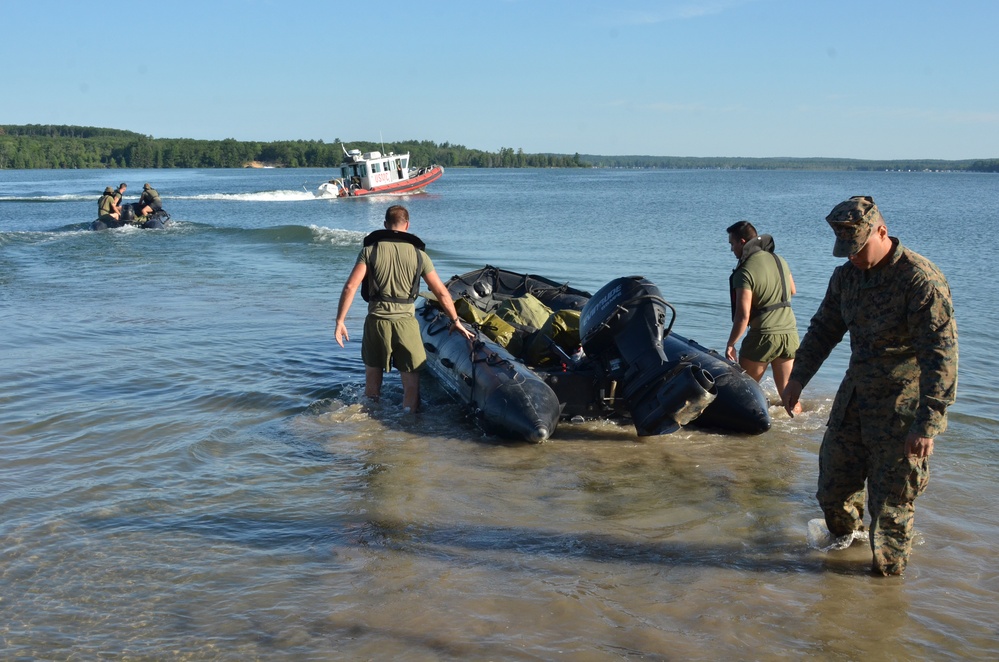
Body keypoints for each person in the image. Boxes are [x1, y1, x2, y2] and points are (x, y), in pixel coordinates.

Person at [781, 196, 958, 576]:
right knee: (832, 492)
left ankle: (886, 601)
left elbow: (941, 356)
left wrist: (928, 423)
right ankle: (842, 570)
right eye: (846, 250)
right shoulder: (846, 277)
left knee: (891, 510)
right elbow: (823, 329)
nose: (853, 257)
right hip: (854, 402)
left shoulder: (919, 280)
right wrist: (798, 378)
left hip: (901, 411)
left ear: (882, 231)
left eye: (858, 248)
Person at [334, 204, 474, 412]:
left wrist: (340, 322)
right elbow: (442, 292)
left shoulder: (369, 251)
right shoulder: (420, 256)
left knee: (372, 390)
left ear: (384, 225)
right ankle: (409, 428)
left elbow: (351, 286)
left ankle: (370, 428)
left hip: (376, 322)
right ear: (407, 225)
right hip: (406, 325)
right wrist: (455, 321)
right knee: (411, 388)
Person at [725, 220, 802, 414]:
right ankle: (795, 433)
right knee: (789, 394)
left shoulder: (745, 271)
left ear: (742, 242)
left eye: (732, 244)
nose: (732, 249)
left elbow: (743, 315)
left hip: (763, 337)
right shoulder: (779, 259)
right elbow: (792, 290)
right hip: (789, 333)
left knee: (742, 392)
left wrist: (731, 344)